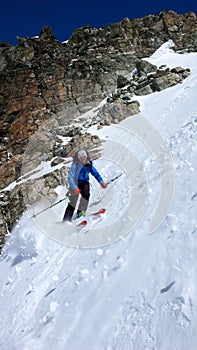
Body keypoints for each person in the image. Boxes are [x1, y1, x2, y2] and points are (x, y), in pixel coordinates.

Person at [63, 150, 107, 222]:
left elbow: (96, 174)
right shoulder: (75, 165)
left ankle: (81, 212)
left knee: (86, 196)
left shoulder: (89, 164)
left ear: (86, 157)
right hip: (75, 183)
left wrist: (102, 182)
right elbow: (70, 178)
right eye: (81, 157)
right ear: (78, 158)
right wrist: (74, 188)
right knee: (73, 201)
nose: (82, 159)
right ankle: (66, 219)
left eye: (84, 157)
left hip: (84, 182)